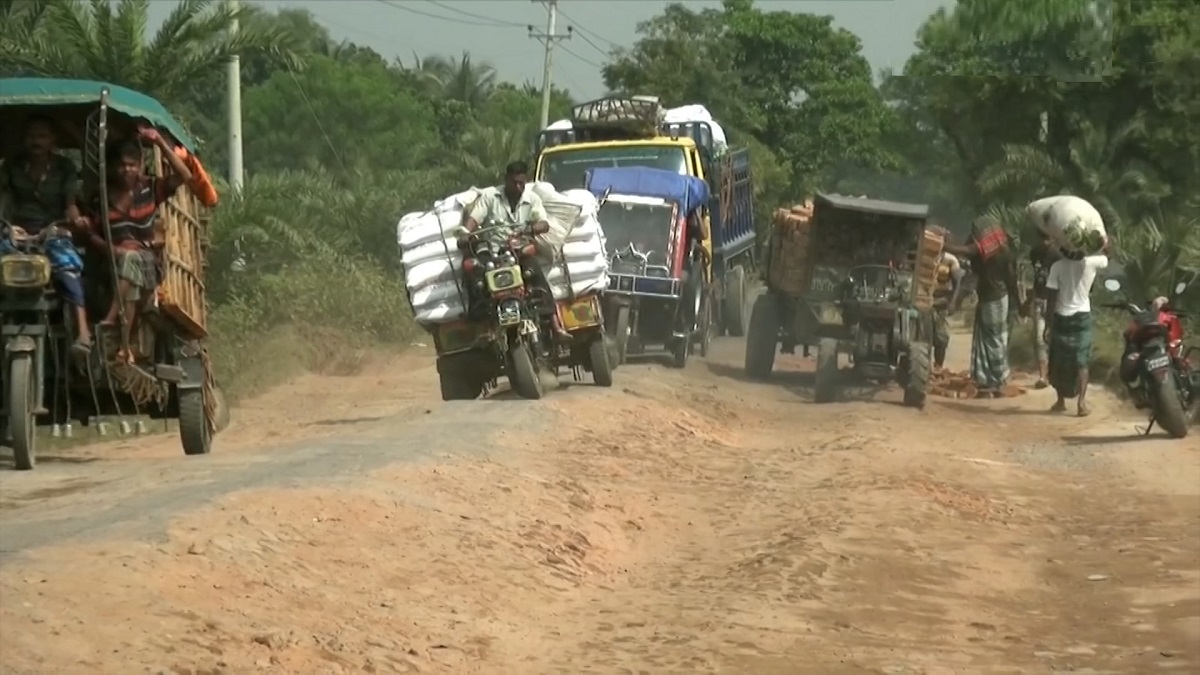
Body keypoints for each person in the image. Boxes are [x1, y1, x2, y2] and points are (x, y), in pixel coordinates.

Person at [85, 127, 192, 363]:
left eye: (132, 164)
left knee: (132, 260)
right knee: (127, 267)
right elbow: (92, 235)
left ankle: (111, 321)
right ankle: (125, 347)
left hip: (148, 262)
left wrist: (161, 145)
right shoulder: (100, 197)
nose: (127, 170)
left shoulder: (150, 188)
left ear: (140, 165)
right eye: (122, 165)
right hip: (111, 263)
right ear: (113, 167)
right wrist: (112, 250)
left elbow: (185, 176)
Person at [0, 115, 93, 354]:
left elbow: (70, 203)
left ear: (53, 140)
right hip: (16, 230)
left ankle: (82, 332)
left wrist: (74, 220)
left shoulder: (65, 168)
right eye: (31, 136)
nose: (36, 141)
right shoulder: (11, 166)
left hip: (52, 228)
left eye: (42, 136)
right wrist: (8, 225)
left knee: (68, 268)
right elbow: (4, 198)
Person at [459, 160, 568, 338]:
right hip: (491, 251)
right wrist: (465, 233)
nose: (518, 187)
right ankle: (482, 328)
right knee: (477, 278)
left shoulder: (532, 199)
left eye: (521, 183)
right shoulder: (490, 196)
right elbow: (474, 219)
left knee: (535, 273)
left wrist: (533, 228)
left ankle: (555, 325)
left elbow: (543, 222)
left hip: (518, 250)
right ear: (506, 180)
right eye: (514, 182)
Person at [944, 216, 1022, 397]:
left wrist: (944, 245)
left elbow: (963, 250)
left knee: (992, 340)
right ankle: (991, 379)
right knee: (994, 338)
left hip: (991, 299)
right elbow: (1012, 282)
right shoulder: (1004, 252)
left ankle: (994, 379)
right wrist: (1017, 304)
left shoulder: (983, 250)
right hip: (1000, 299)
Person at [1044, 248, 1109, 417]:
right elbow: (1108, 255)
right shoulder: (1090, 263)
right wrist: (1102, 244)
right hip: (1082, 318)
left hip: (1061, 317)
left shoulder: (1057, 266)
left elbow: (1051, 298)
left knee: (1059, 360)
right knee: (1082, 361)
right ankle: (1081, 403)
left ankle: (1060, 401)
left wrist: (1048, 324)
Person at [1027, 231, 1062, 389]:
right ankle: (1043, 376)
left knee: (1052, 339)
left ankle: (1052, 374)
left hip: (1054, 301)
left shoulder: (1059, 257)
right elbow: (1036, 278)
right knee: (1039, 339)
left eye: (1048, 238)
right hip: (1039, 299)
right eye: (1043, 238)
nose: (1045, 242)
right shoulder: (1034, 253)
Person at [933, 249, 965, 370]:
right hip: (923, 300)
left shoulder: (950, 260)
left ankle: (938, 366)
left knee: (941, 337)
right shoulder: (922, 254)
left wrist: (953, 302)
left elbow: (957, 283)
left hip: (941, 301)